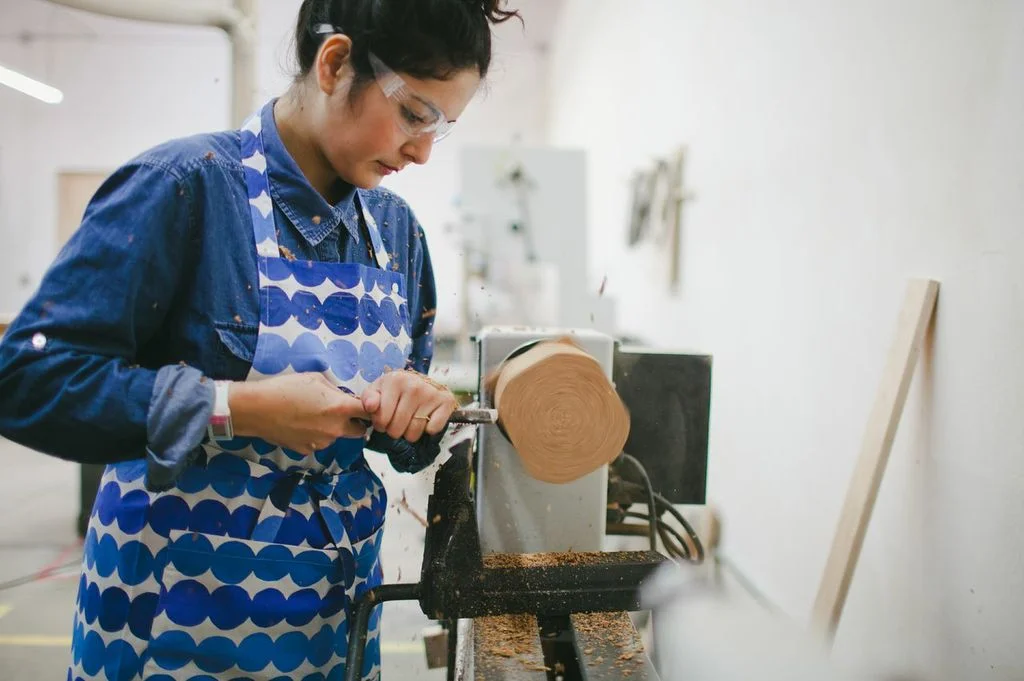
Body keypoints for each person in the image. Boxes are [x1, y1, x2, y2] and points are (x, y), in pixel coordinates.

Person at [0, 0, 521, 678]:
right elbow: (27, 380)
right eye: (416, 114)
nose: (422, 151)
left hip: (334, 618)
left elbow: (402, 442)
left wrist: (413, 409)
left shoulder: (395, 233)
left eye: (442, 128)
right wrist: (236, 407)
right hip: (173, 618)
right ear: (334, 63)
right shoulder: (184, 189)